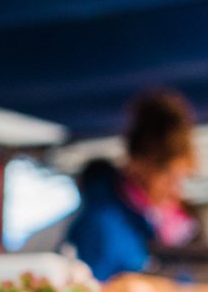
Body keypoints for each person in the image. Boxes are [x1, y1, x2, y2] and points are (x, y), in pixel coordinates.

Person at [66, 90, 201, 280]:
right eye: (168, 177)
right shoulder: (102, 224)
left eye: (180, 179)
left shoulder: (142, 223)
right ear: (137, 163)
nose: (175, 190)